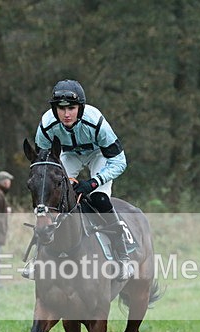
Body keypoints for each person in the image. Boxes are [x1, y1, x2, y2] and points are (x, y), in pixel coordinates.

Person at [33, 79, 134, 280]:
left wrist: (93, 183)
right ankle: (37, 256)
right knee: (52, 198)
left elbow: (119, 161)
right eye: (61, 109)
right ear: (54, 109)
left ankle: (123, 255)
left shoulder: (95, 122)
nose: (66, 114)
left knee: (99, 198)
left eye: (71, 108)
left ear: (80, 108)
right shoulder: (46, 125)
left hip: (99, 154)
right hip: (69, 155)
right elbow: (42, 162)